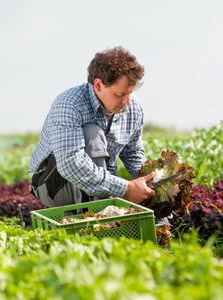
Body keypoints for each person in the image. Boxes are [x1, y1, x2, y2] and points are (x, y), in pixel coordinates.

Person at [29, 46, 157, 209]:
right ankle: (99, 220)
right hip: (54, 187)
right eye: (119, 95)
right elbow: (71, 164)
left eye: (129, 93)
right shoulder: (70, 104)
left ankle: (155, 225)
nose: (127, 102)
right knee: (92, 134)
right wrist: (126, 188)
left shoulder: (133, 108)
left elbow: (132, 153)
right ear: (98, 85)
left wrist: (150, 182)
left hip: (103, 184)